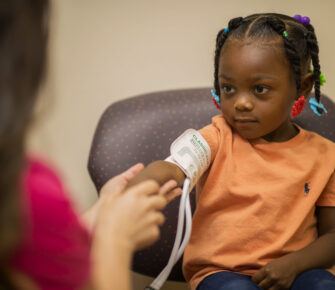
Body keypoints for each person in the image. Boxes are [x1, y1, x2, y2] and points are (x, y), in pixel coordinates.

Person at [126, 13, 335, 290]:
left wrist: (292, 265)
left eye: (259, 89)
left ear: (303, 87)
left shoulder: (325, 156)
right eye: (228, 88)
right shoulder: (216, 137)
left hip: (297, 271)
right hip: (222, 274)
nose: (241, 103)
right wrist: (144, 183)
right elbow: (175, 167)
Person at [0, 1, 181, 289]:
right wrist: (115, 239)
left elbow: (37, 252)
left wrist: (101, 213)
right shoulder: (28, 191)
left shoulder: (24, 196)